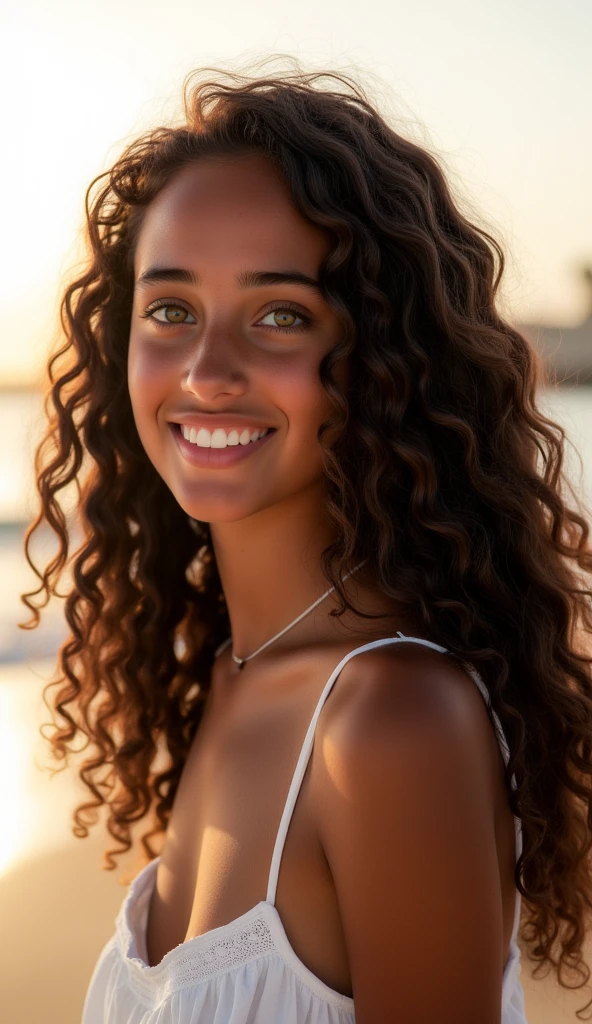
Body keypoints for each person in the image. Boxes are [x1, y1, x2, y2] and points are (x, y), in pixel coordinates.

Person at [21, 60, 592, 1024]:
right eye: (170, 310)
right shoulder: (232, 668)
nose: (206, 370)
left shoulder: (392, 724)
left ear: (379, 361)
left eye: (280, 315)